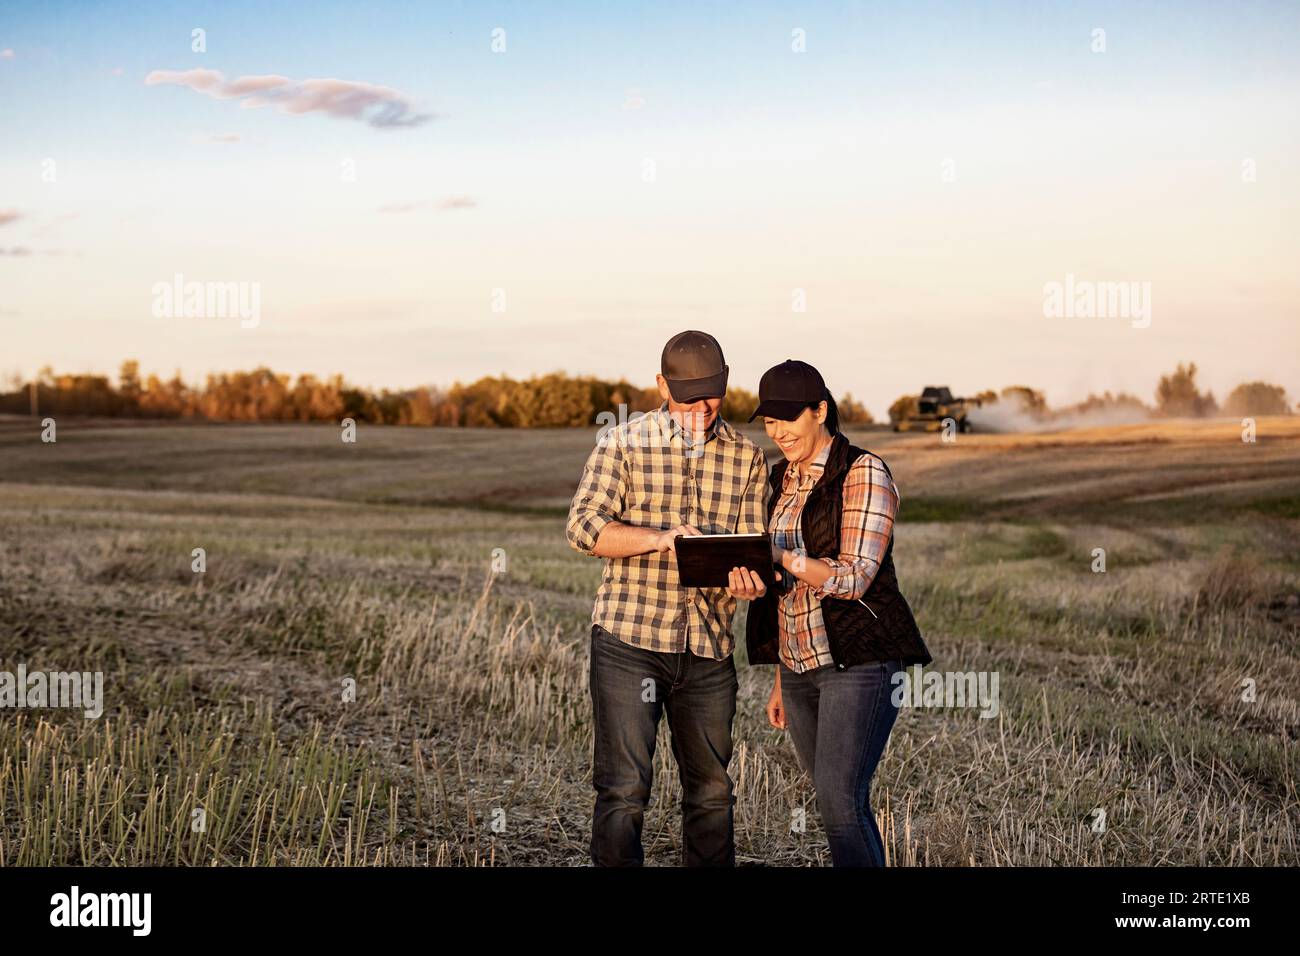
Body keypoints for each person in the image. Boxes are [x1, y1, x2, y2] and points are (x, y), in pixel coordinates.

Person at [566, 330, 769, 866]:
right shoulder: (621, 444)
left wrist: (747, 581)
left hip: (708, 648)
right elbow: (585, 530)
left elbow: (750, 550)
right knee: (624, 792)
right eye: (689, 397)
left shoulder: (748, 459)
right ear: (661, 386)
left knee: (712, 795)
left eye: (714, 396)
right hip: (628, 641)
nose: (703, 410)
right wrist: (659, 539)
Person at [727, 359, 933, 866]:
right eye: (769, 421)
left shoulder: (864, 471)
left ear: (820, 410)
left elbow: (854, 576)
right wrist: (780, 676)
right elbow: (781, 591)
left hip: (858, 661)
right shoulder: (779, 480)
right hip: (799, 668)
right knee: (830, 800)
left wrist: (780, 557)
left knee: (841, 802)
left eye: (787, 418)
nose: (777, 432)